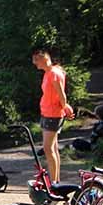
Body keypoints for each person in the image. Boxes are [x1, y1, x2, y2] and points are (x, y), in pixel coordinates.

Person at [32, 46, 73, 182]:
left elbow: (61, 94)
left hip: (53, 114)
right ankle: (56, 180)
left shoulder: (54, 74)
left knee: (48, 148)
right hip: (47, 113)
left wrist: (65, 107)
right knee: (53, 148)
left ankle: (54, 181)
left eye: (36, 60)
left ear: (43, 59)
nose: (35, 63)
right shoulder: (48, 73)